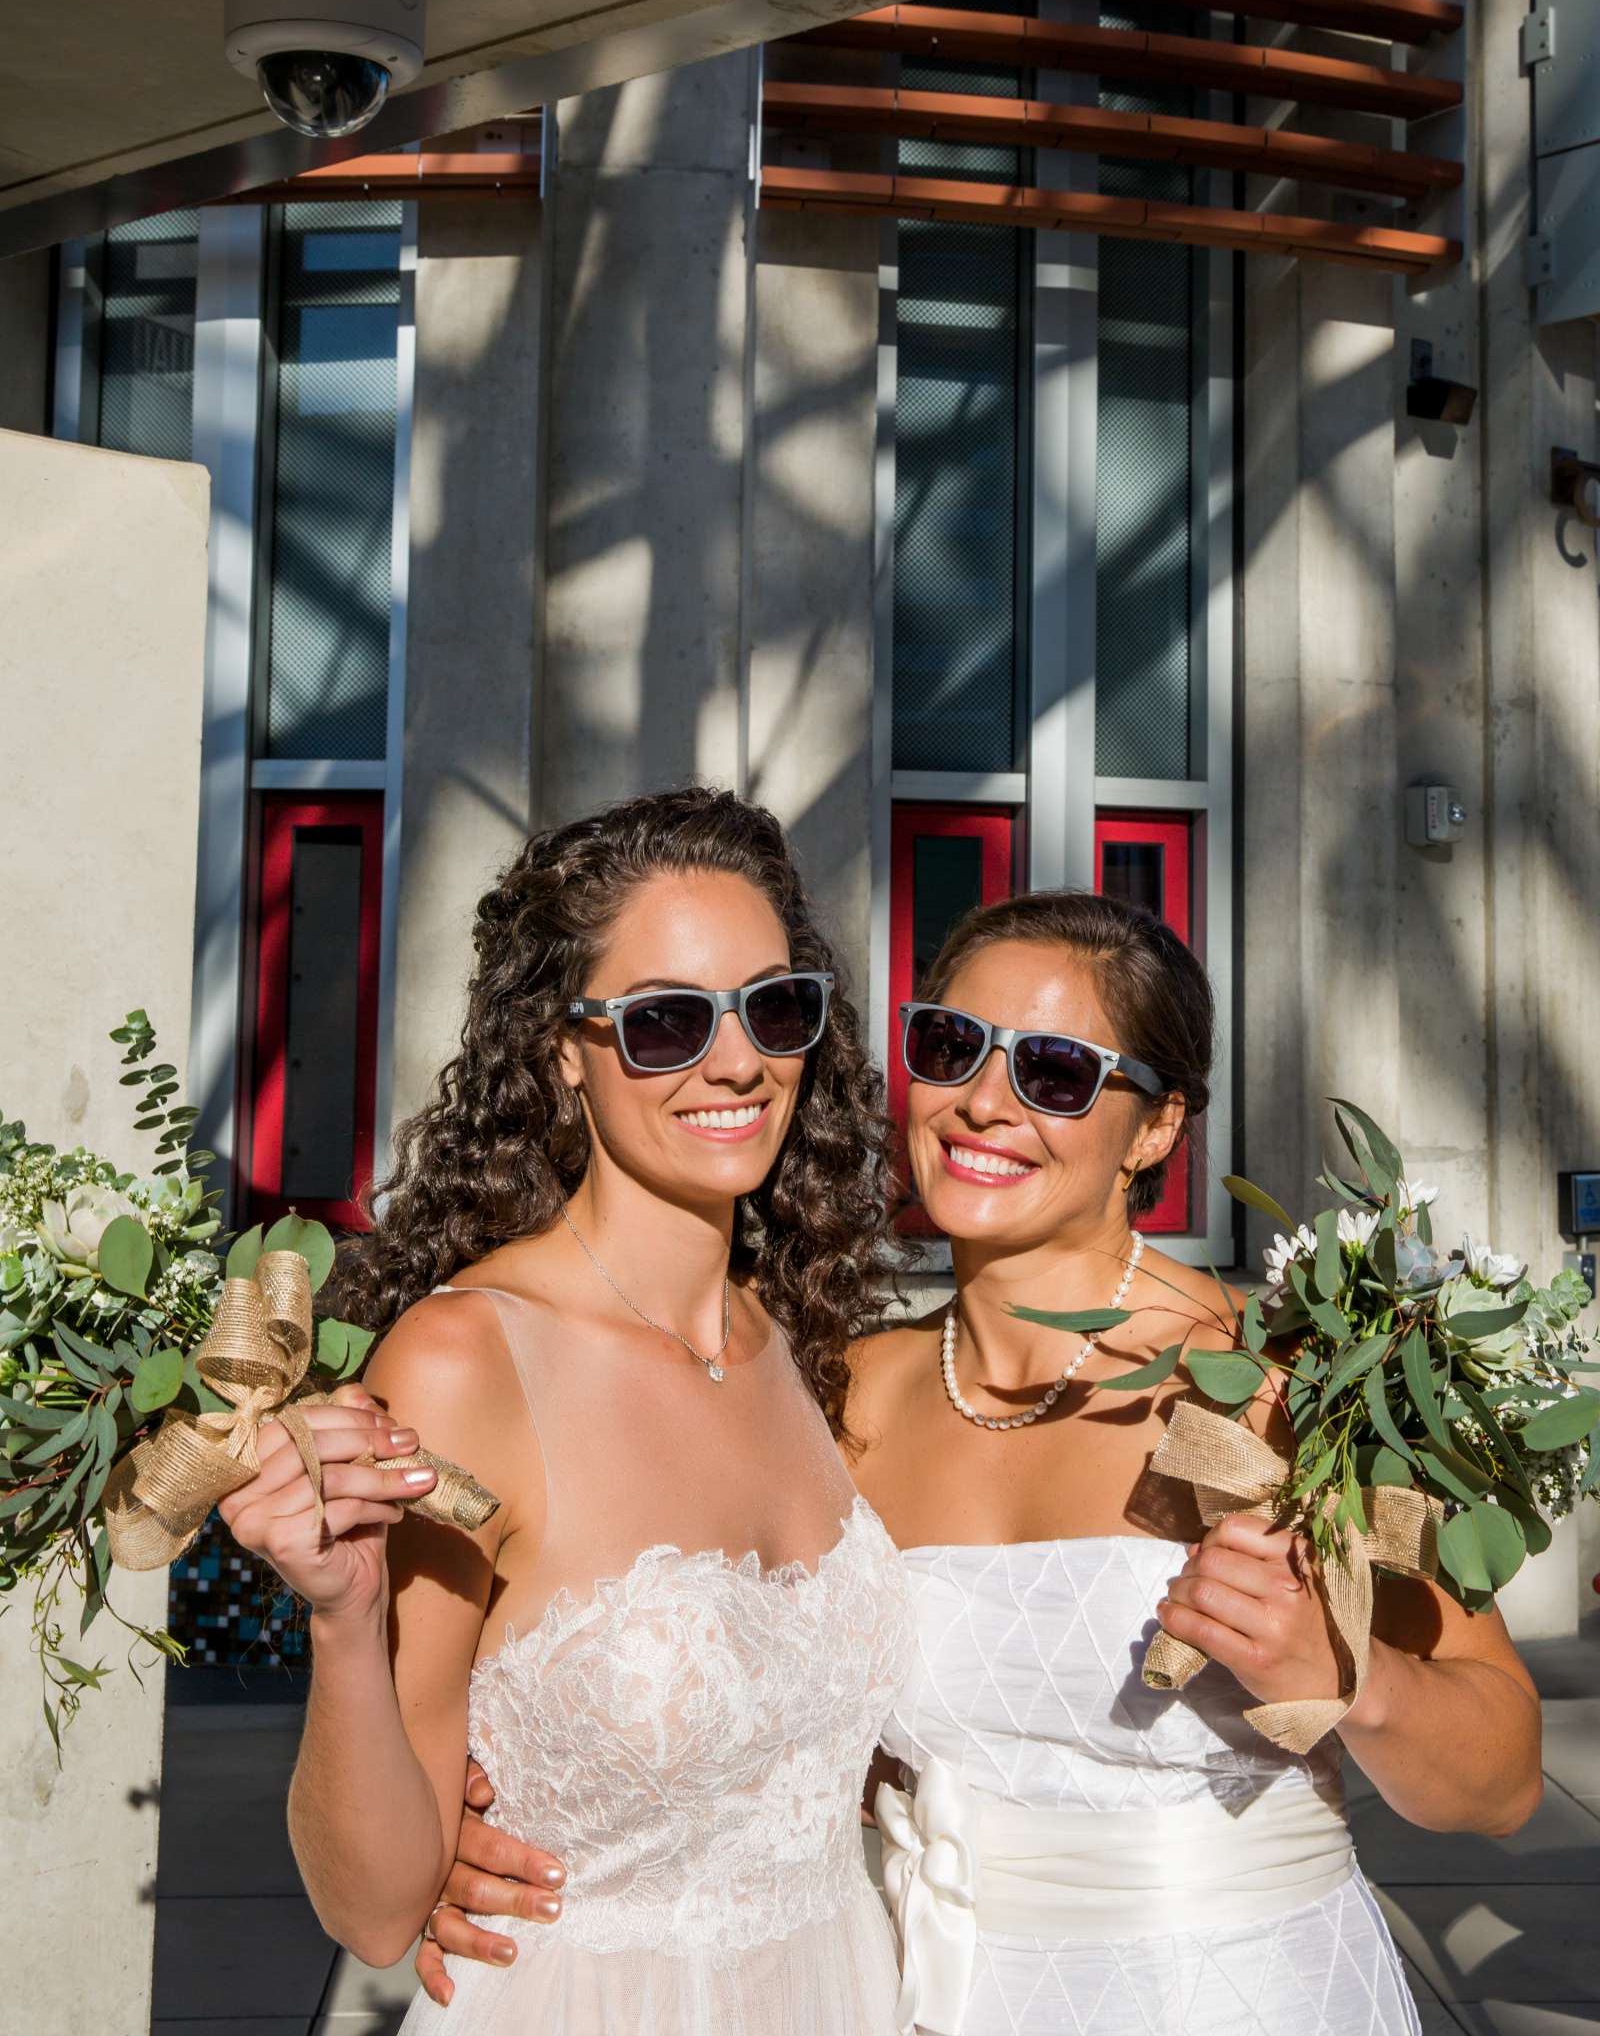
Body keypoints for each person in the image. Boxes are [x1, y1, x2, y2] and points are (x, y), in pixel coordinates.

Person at [422, 888, 1544, 2036]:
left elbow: (1499, 1783)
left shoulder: (1283, 1387)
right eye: (952, 1047)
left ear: (1156, 1128)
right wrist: (507, 1828)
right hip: (925, 1998)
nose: (984, 1104)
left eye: (1056, 1072)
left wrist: (1343, 1678)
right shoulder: (838, 1395)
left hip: (1243, 1993)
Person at [218, 786, 915, 2036]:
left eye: (775, 1007)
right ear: (560, 1050)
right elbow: (375, 1910)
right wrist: (345, 1617)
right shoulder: (462, 1363)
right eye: (663, 1021)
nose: (737, 1061)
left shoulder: (802, 1340)